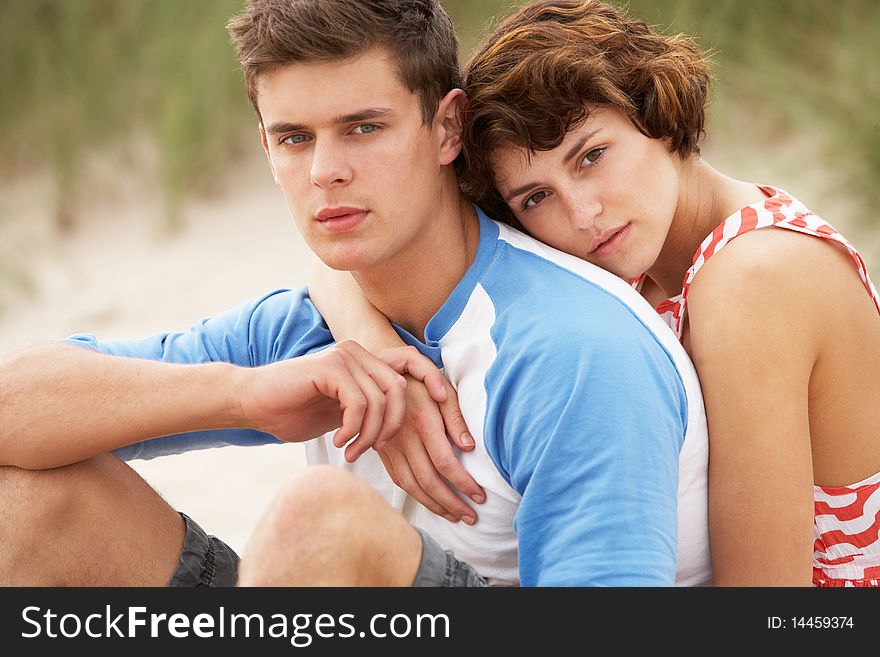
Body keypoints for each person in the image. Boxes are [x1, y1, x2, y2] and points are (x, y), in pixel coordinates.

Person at [0, 0, 709, 588]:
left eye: (363, 128)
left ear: (447, 127)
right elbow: (15, 405)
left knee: (319, 523)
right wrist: (245, 396)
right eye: (294, 139)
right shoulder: (314, 325)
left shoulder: (571, 350)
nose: (326, 172)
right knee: (27, 505)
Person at [320, 0, 880, 587]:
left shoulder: (755, 277)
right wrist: (379, 349)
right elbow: (345, 266)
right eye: (535, 197)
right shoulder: (640, 251)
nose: (582, 213)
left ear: (656, 113)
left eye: (592, 156)